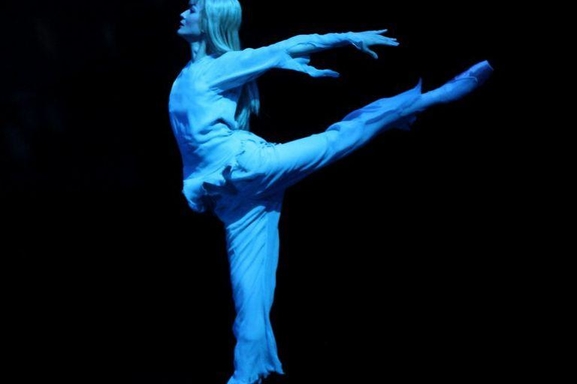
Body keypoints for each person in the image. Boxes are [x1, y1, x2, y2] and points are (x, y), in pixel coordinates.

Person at [168, 0, 493, 383]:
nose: (183, 12)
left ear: (210, 21)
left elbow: (290, 44)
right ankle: (246, 376)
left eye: (193, 8)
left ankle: (428, 99)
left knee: (336, 140)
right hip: (233, 197)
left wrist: (347, 37)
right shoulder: (189, 73)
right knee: (250, 299)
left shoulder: (215, 68)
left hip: (249, 166)